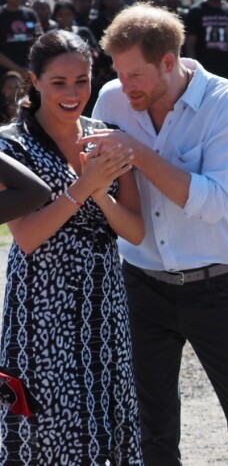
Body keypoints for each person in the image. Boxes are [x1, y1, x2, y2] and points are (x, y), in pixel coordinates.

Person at [83, 3, 228, 465]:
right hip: (140, 286)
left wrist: (137, 153)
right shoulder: (110, 100)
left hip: (221, 289)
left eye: (136, 75)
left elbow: (213, 202)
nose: (125, 88)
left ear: (171, 61)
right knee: (150, 433)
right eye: (119, 74)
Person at [0, 29, 144, 464]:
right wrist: (86, 185)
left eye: (81, 81)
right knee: (48, 422)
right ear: (35, 81)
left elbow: (135, 232)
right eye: (59, 83)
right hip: (42, 307)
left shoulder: (110, 137)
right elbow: (26, 236)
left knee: (105, 411)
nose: (72, 93)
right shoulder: (11, 144)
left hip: (104, 302)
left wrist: (101, 194)